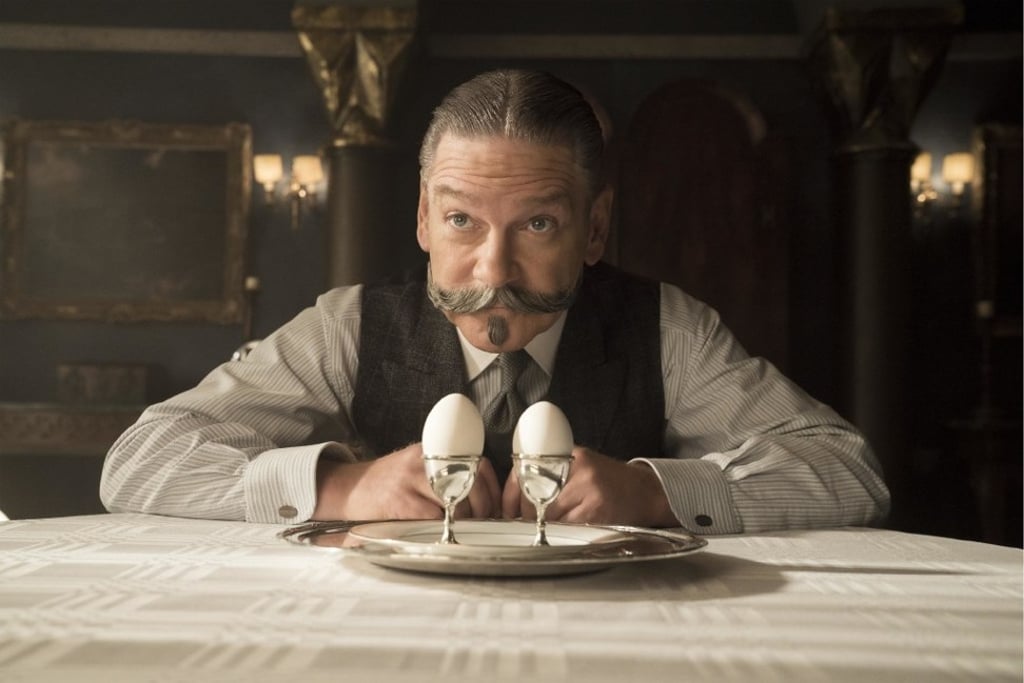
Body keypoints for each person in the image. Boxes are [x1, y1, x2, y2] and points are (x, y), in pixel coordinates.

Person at [101, 69, 890, 533]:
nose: (493, 265)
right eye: (461, 220)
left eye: (538, 223)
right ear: (422, 218)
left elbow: (849, 471)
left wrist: (656, 491)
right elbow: (140, 462)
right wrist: (342, 487)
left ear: (595, 227)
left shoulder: (667, 329)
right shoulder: (349, 325)